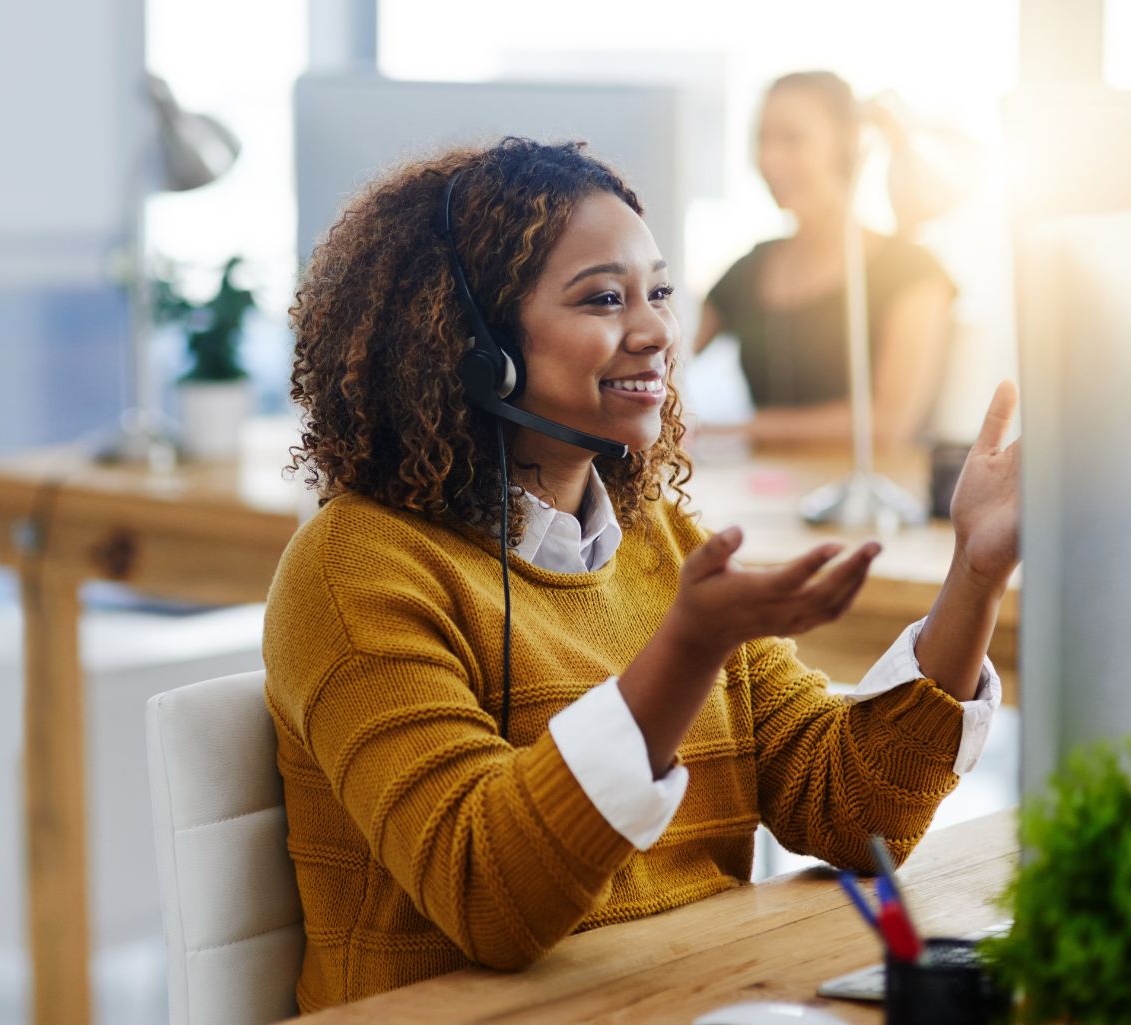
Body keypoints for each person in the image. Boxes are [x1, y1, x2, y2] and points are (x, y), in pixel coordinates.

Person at [264, 137, 1017, 1012]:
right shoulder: (354, 568)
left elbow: (852, 810)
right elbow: (486, 891)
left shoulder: (659, 538)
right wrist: (689, 646)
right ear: (471, 346)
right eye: (605, 299)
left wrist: (975, 569)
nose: (658, 331)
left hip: (683, 997)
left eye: (658, 291)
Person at [690, 72, 957, 449]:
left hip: (874, 499)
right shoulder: (750, 268)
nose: (768, 159)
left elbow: (888, 424)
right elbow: (669, 351)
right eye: (761, 140)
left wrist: (733, 430)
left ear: (848, 144)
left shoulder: (911, 272)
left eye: (791, 139)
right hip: (761, 493)